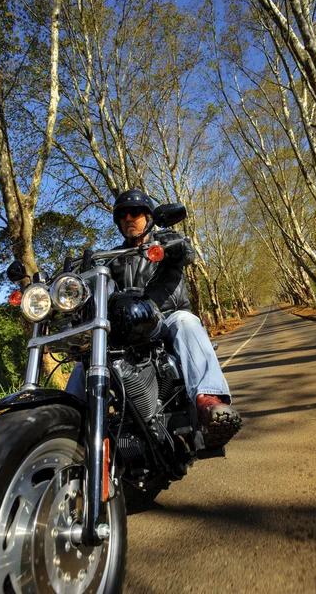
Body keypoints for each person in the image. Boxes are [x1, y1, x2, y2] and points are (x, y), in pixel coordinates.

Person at [67, 189, 242, 447]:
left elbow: (186, 253)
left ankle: (208, 401)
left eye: (135, 212)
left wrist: (174, 246)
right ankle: (68, 421)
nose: (129, 218)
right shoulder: (112, 259)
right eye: (123, 215)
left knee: (187, 321)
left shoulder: (164, 241)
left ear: (149, 216)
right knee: (86, 358)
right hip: (127, 329)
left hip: (165, 320)